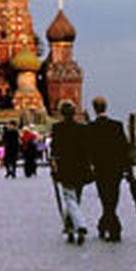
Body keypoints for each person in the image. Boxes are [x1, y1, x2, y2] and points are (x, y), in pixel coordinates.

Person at [87, 96, 134, 242]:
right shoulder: (117, 125)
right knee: (113, 196)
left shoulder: (91, 128)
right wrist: (128, 169)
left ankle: (108, 225)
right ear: (106, 107)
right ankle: (111, 227)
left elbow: (88, 150)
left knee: (105, 197)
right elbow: (124, 148)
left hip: (100, 168)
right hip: (116, 167)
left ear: (94, 109)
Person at [50, 101, 93, 245]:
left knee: (69, 199)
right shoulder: (83, 129)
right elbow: (87, 150)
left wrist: (54, 165)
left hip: (65, 168)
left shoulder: (57, 129)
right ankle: (69, 228)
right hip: (80, 169)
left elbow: (54, 150)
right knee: (75, 198)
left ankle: (80, 225)